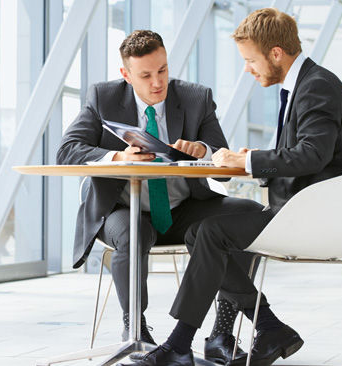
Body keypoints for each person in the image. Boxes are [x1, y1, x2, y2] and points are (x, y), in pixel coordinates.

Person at [123, 7, 342, 366]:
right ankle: (268, 327)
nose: (247, 69)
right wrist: (255, 158)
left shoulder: (317, 88)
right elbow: (306, 152)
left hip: (316, 218)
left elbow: (312, 155)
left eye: (251, 60)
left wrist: (248, 162)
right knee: (200, 234)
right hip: (305, 211)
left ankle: (179, 345)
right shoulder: (306, 84)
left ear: (276, 53)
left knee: (211, 233)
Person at [56, 30, 263, 363]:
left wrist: (204, 151)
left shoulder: (196, 98)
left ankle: (222, 332)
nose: (157, 82)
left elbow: (224, 167)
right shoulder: (104, 97)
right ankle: (135, 330)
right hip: (124, 210)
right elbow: (66, 151)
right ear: (126, 75)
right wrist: (117, 157)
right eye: (146, 75)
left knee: (247, 215)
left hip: (184, 209)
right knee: (132, 233)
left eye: (163, 70)